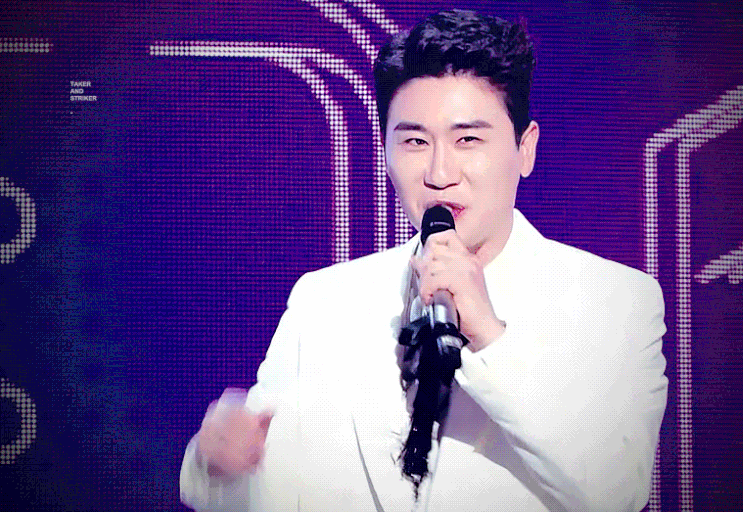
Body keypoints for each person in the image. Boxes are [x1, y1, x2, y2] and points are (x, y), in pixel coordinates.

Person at [180, 9, 668, 512]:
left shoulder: (616, 302)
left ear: (525, 148)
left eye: (468, 139)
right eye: (414, 141)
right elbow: (266, 490)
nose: (438, 172)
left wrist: (490, 337)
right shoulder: (324, 301)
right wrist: (222, 467)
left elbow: (616, 491)